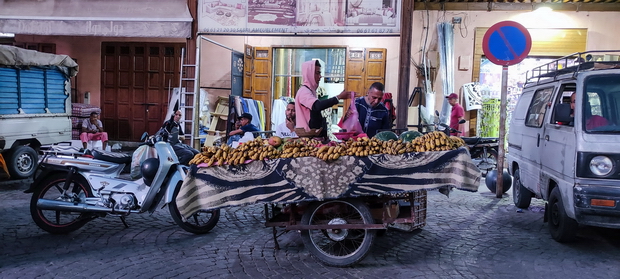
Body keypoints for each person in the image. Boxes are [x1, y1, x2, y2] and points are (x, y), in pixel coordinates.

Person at [295, 59, 350, 138]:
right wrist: (338, 97)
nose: (320, 76)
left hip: (313, 136)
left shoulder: (311, 91)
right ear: (309, 74)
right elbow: (316, 106)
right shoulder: (304, 92)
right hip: (307, 137)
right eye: (317, 73)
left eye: (320, 73)